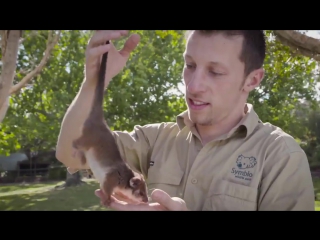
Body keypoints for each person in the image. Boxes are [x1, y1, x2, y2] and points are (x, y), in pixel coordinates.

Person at [55, 30, 315, 211]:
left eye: (215, 72)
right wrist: (93, 81)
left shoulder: (281, 156)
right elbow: (70, 153)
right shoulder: (155, 139)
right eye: (189, 65)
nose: (194, 85)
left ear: (253, 80)